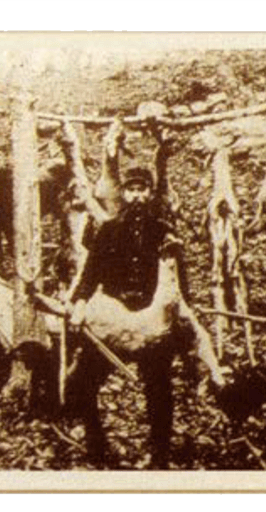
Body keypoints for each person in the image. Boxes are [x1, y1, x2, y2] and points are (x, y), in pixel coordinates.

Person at [65, 165, 184, 468]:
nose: (138, 196)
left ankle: (160, 455)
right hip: (113, 318)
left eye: (143, 189)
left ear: (150, 192)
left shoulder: (163, 231)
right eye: (132, 189)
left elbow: (179, 281)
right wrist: (79, 304)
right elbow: (90, 273)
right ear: (124, 193)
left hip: (151, 320)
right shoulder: (108, 229)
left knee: (159, 389)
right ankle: (96, 444)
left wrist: (180, 317)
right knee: (83, 382)